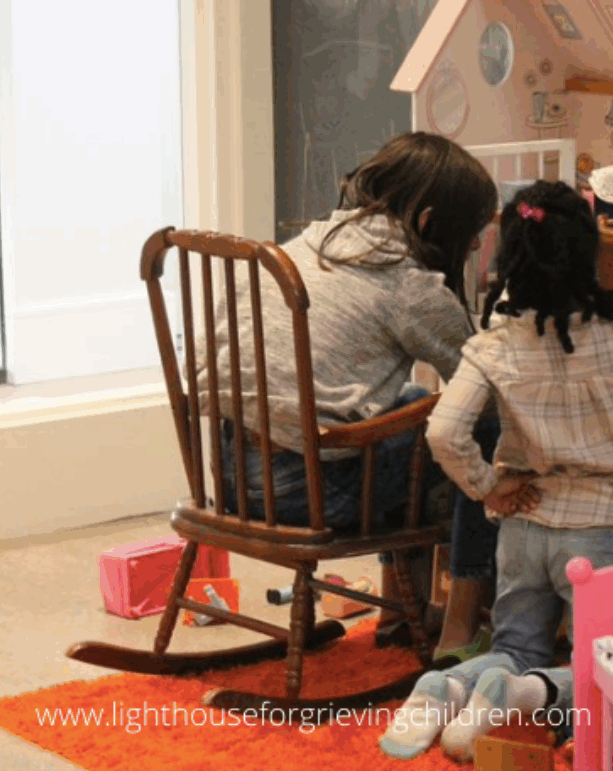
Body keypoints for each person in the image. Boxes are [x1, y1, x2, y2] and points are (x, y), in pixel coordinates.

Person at [378, 180, 613, 761]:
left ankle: (444, 689)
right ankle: (523, 696)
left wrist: (489, 487)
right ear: (586, 256)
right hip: (602, 531)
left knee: (515, 646)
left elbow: (444, 431)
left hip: (524, 521)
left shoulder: (493, 345)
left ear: (510, 258)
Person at [198, 132, 503, 649]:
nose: (475, 246)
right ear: (429, 222)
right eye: (471, 233)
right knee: (484, 426)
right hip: (306, 492)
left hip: (232, 479)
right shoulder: (409, 286)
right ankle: (461, 620)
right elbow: (484, 388)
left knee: (407, 406)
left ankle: (395, 611)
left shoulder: (301, 247)